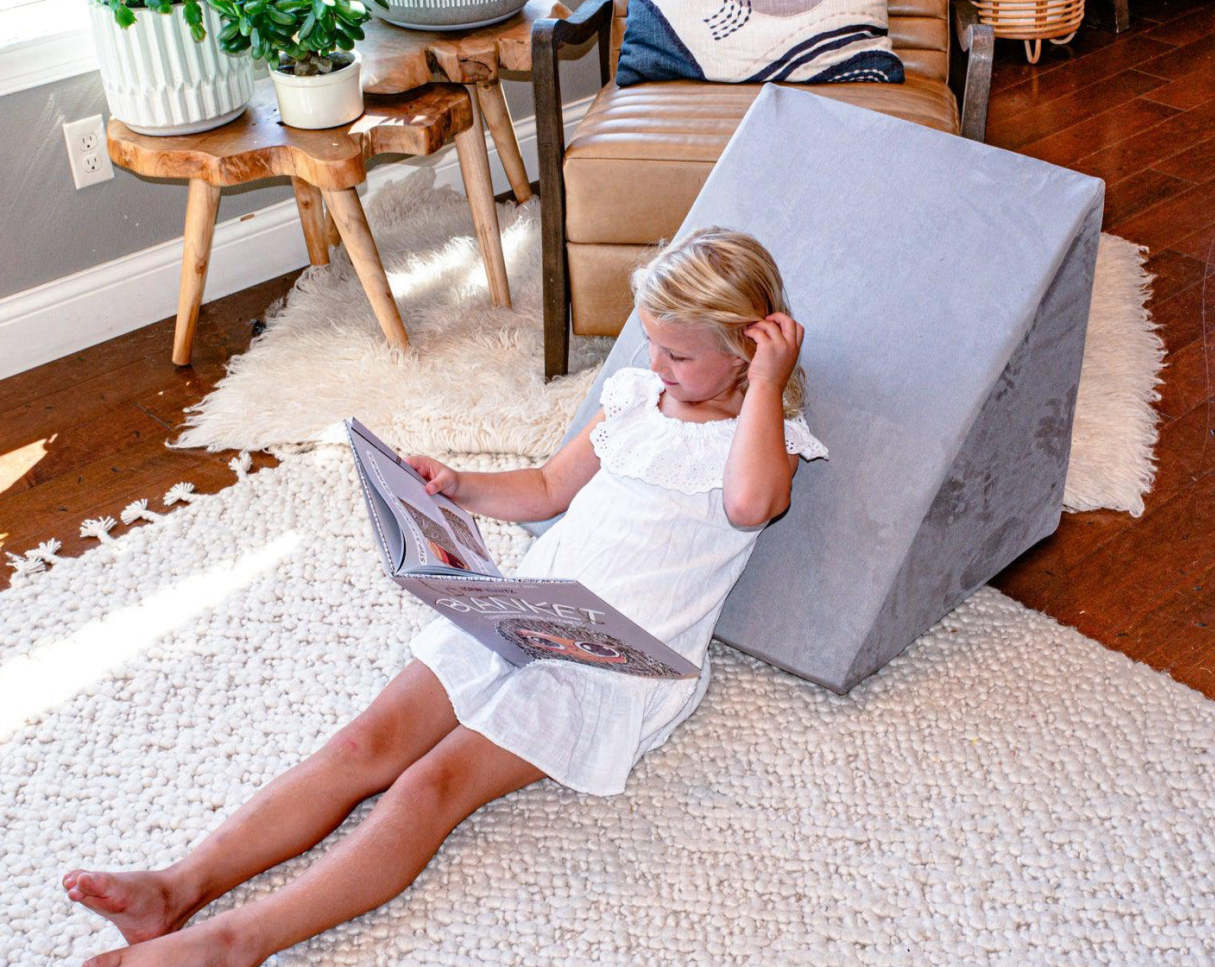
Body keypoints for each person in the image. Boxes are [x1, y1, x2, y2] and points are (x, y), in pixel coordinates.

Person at [62, 226, 828, 967]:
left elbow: (751, 505)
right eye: (651, 342)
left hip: (609, 666)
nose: (654, 362)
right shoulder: (634, 398)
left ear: (747, 348)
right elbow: (547, 486)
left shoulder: (764, 439)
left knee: (427, 786)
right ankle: (177, 886)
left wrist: (765, 386)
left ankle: (237, 942)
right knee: (360, 747)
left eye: (678, 354)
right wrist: (462, 486)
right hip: (521, 611)